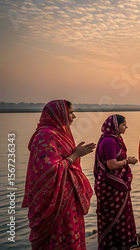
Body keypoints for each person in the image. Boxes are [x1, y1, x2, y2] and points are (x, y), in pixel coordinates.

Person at [22, 100, 95, 249]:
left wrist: (74, 154)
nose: (73, 116)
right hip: (55, 200)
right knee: (61, 236)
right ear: (59, 114)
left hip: (67, 197)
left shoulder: (59, 134)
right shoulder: (45, 136)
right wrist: (75, 155)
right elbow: (50, 171)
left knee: (71, 233)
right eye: (70, 112)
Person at [94, 114, 138, 249]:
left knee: (122, 215)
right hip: (110, 185)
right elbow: (111, 165)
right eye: (123, 125)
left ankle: (123, 242)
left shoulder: (115, 139)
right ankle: (117, 244)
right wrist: (128, 161)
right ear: (115, 126)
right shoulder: (109, 141)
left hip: (117, 183)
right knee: (114, 217)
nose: (126, 127)